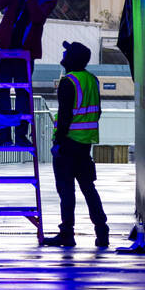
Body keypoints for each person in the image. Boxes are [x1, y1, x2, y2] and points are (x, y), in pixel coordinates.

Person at [44, 40, 110, 248]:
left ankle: (67, 234)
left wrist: (58, 143)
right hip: (85, 144)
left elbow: (64, 117)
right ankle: (102, 231)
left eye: (66, 52)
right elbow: (97, 111)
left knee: (66, 190)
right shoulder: (92, 80)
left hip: (68, 143)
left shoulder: (68, 82)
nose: (63, 54)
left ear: (71, 59)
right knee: (88, 187)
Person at [0, 0, 56, 147]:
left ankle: (21, 134)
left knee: (22, 93)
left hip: (25, 52)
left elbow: (37, 18)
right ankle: (3, 133)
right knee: (1, 92)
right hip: (5, 48)